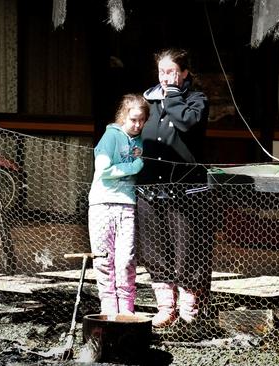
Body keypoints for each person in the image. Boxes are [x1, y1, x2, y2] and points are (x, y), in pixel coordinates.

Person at [136, 48, 212, 327]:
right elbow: (133, 128)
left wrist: (173, 96)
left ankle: (190, 310)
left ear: (184, 73)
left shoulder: (196, 100)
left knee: (187, 249)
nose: (165, 78)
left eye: (171, 72)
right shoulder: (148, 99)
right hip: (149, 189)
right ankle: (166, 307)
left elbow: (186, 123)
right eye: (161, 72)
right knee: (155, 251)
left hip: (185, 189)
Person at [88, 94, 149, 315]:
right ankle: (108, 309)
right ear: (123, 116)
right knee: (104, 258)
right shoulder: (111, 137)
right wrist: (134, 168)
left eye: (142, 120)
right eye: (133, 119)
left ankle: (126, 310)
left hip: (127, 204)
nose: (137, 125)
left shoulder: (140, 139)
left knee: (126, 259)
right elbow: (102, 169)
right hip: (102, 203)